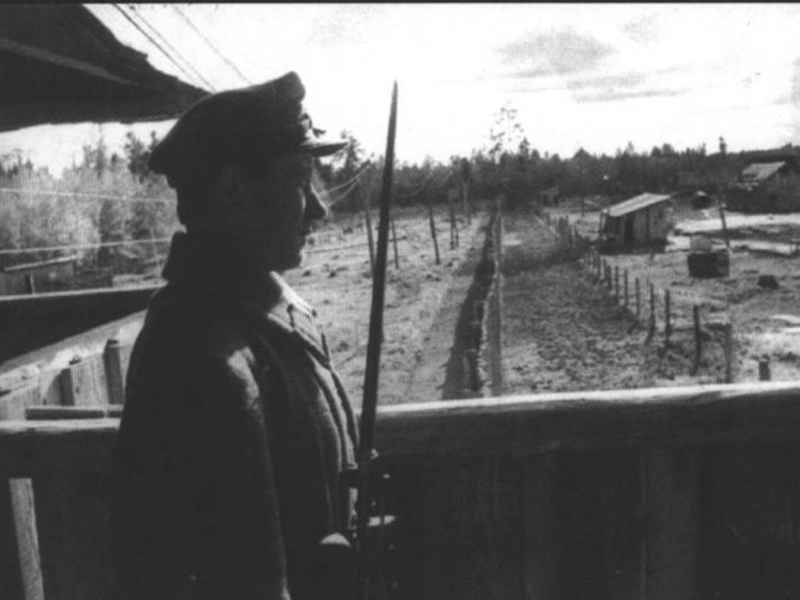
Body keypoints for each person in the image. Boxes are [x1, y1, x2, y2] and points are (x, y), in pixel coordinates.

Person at [111, 71, 360, 600]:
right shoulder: (200, 354)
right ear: (231, 189)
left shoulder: (266, 309)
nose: (319, 208)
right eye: (299, 182)